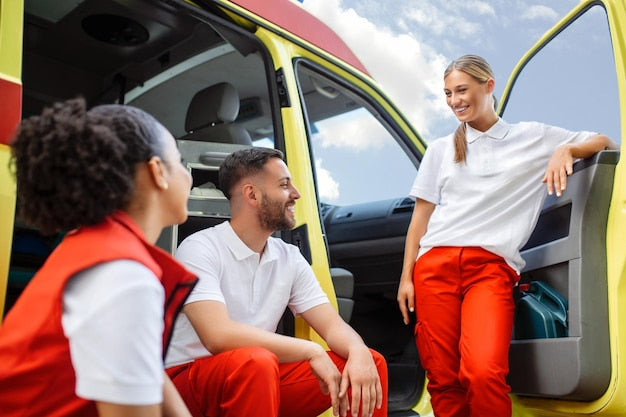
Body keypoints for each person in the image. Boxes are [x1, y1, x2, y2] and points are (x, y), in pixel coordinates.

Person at [396, 54, 617, 417]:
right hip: (434, 267)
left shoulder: (532, 137)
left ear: (489, 86)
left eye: (462, 90)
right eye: (448, 94)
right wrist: (406, 276)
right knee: (443, 378)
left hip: (491, 269)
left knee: (483, 372)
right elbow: (420, 220)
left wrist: (567, 149)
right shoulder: (439, 150)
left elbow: (603, 140)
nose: (455, 101)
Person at [0, 98, 198, 417]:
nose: (188, 177)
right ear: (158, 172)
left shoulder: (96, 248)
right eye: (179, 161)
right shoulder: (125, 276)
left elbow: (143, 363)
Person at [165, 147, 388, 417]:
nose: (296, 194)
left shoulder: (289, 257)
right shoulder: (200, 248)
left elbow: (332, 325)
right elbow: (218, 336)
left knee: (368, 364)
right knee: (256, 362)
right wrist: (311, 351)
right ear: (252, 195)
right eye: (284, 185)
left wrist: (357, 349)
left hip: (258, 376)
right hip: (186, 384)